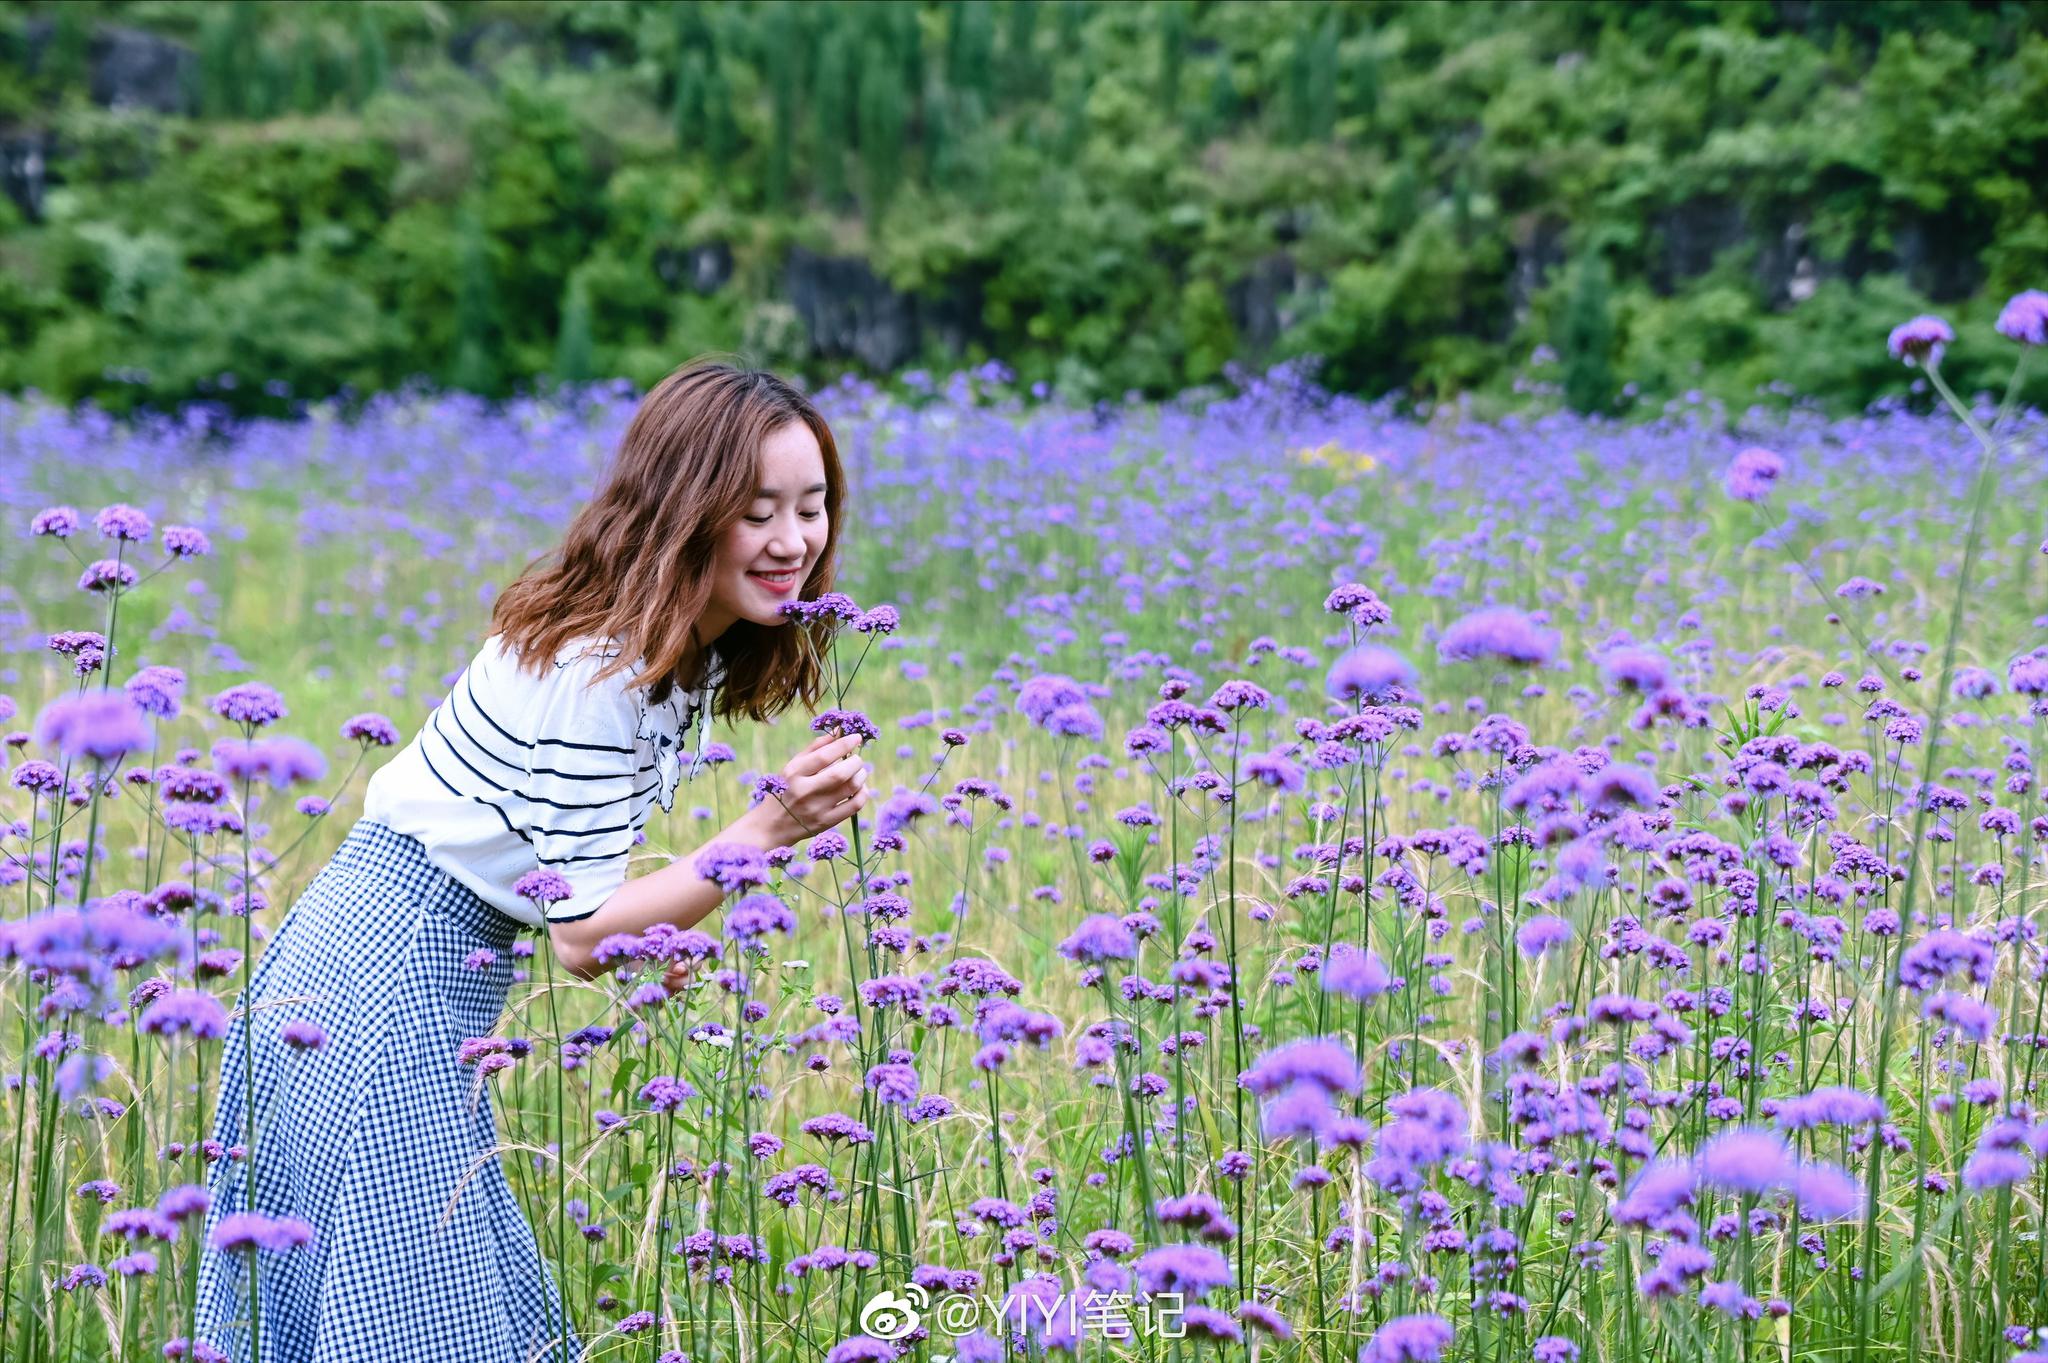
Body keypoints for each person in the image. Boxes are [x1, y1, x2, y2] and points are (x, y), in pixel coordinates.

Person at [192, 361, 872, 1363]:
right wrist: (765, 830)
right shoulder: (604, 672)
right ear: (684, 510)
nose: (791, 541)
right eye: (756, 509)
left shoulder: (649, 646)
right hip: (388, 984)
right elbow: (582, 937)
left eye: (810, 508)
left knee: (420, 1302)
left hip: (370, 961)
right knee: (420, 1317)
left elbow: (586, 898)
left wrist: (659, 929)